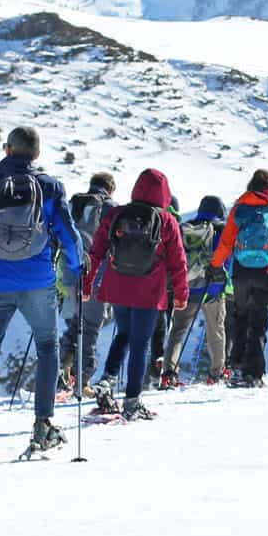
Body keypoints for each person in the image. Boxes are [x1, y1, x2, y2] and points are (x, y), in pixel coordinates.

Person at [0, 126, 85, 464]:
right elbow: (69, 238)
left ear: (7, 150)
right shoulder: (51, 188)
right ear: (36, 155)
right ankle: (43, 427)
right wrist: (75, 266)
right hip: (39, 281)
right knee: (46, 347)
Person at [81, 169, 189, 419]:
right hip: (149, 292)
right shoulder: (166, 221)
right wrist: (181, 293)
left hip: (117, 287)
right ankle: (132, 400)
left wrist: (86, 283)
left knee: (124, 334)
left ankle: (107, 380)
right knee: (140, 344)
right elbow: (178, 261)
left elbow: (96, 251)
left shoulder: (118, 214)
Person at [208, 170, 268, 389]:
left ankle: (236, 366)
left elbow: (226, 243)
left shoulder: (239, 208)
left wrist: (215, 265)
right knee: (259, 322)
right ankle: (253, 373)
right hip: (266, 271)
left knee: (240, 317)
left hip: (241, 271)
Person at [160, 194, 228, 386]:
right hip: (213, 289)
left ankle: (168, 373)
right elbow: (226, 259)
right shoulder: (219, 230)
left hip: (187, 288)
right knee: (216, 330)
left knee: (178, 331)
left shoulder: (185, 228)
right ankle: (216, 374)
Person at [59, 173, 116, 393]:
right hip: (95, 277)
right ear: (110, 188)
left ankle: (61, 374)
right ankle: (82, 382)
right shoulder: (110, 207)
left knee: (75, 325)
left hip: (69, 274)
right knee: (90, 327)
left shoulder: (74, 203)